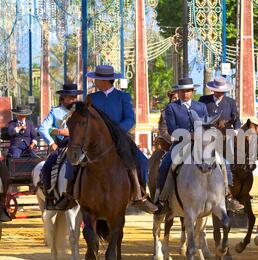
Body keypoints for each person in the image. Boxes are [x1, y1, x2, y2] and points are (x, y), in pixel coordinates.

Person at [54, 65, 157, 213]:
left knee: (142, 161)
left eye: (97, 79)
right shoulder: (91, 98)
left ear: (105, 81)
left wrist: (117, 131)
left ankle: (141, 196)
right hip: (94, 142)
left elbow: (130, 119)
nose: (95, 82)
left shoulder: (123, 97)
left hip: (120, 139)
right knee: (73, 160)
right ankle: (69, 195)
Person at [154, 77, 208, 211]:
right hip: (180, 145)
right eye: (183, 91)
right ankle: (161, 199)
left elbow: (207, 125)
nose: (185, 94)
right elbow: (172, 129)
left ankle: (227, 195)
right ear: (178, 91)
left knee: (222, 162)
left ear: (193, 91)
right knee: (164, 166)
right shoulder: (171, 107)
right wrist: (190, 135)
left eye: (188, 91)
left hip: (201, 145)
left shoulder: (201, 107)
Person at [199, 76, 244, 211]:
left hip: (226, 139)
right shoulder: (203, 101)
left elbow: (236, 119)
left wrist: (236, 131)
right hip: (207, 139)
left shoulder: (230, 102)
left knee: (235, 161)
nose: (220, 93)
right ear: (213, 90)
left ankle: (231, 194)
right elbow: (199, 118)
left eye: (223, 91)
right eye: (218, 91)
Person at [38, 83, 82, 210]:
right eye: (70, 97)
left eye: (75, 97)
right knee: (47, 167)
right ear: (63, 98)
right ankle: (50, 198)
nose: (73, 100)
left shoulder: (81, 111)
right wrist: (52, 142)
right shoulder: (55, 111)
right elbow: (42, 128)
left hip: (80, 146)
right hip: (63, 146)